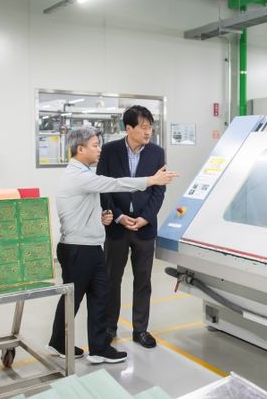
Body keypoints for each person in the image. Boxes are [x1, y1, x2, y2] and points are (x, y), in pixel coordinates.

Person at [47, 126, 178, 364]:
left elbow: (83, 208)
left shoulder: (82, 173)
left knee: (99, 297)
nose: (99, 149)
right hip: (78, 248)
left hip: (90, 246)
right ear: (80, 149)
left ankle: (98, 348)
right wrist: (151, 180)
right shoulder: (79, 176)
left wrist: (102, 217)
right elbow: (116, 184)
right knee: (73, 299)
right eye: (95, 145)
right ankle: (59, 342)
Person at [97, 105, 166, 348]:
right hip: (117, 227)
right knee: (111, 279)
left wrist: (146, 217)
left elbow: (158, 190)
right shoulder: (110, 151)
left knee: (143, 280)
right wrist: (117, 216)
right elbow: (103, 187)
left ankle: (140, 330)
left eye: (150, 127)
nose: (148, 132)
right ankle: (109, 327)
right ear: (129, 128)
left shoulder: (157, 153)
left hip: (144, 228)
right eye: (143, 127)